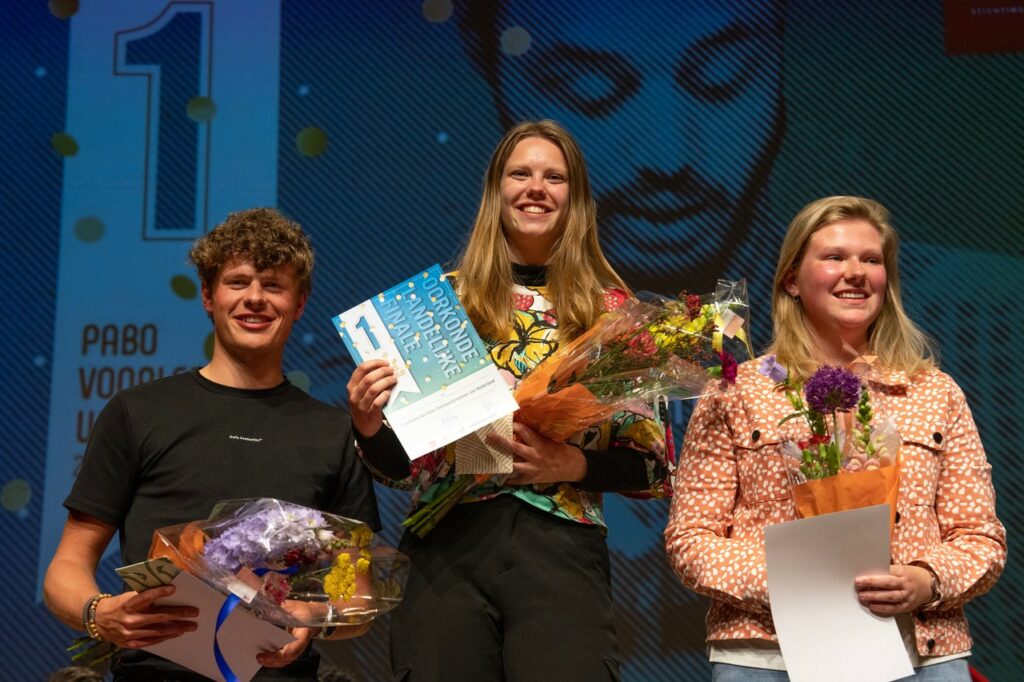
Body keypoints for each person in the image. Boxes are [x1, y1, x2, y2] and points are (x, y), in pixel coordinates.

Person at [347, 120, 671, 681]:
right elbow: (401, 472)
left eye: (554, 176)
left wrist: (573, 463)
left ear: (577, 198)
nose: (535, 188)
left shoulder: (613, 315)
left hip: (560, 552)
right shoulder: (441, 304)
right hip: (446, 550)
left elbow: (652, 468)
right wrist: (368, 424)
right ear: (496, 191)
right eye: (519, 174)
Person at [664, 196, 1006, 679]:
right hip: (769, 654)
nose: (856, 272)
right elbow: (692, 539)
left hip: (920, 653)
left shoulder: (934, 391)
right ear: (791, 280)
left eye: (872, 260)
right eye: (834, 257)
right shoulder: (736, 392)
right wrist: (795, 580)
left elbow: (980, 536)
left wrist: (926, 579)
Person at [43, 208, 381, 680]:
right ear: (208, 295)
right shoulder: (138, 412)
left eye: (274, 285)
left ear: (300, 303)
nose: (255, 299)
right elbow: (66, 567)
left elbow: (358, 595)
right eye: (238, 282)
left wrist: (313, 619)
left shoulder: (332, 431)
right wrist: (99, 612)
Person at [457, 0, 786, 296]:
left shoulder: (820, 326)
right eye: (588, 87)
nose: (667, 158)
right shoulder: (439, 327)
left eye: (722, 73)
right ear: (485, 57)